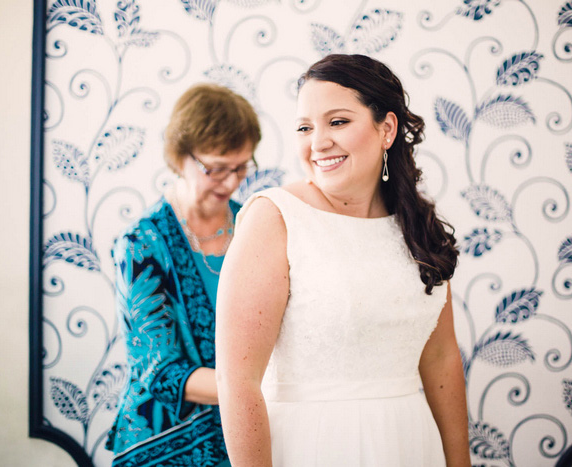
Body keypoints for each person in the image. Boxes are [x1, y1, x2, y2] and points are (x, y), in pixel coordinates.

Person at [215, 54, 470, 466]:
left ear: (386, 129)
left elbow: (441, 358)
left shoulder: (418, 226)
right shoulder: (274, 218)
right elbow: (237, 381)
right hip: (313, 446)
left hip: (409, 443)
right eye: (304, 127)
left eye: (337, 122)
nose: (317, 142)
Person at [106, 83, 261, 467]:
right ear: (180, 156)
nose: (231, 182)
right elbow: (161, 372)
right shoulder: (142, 243)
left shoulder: (257, 227)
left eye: (242, 166)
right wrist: (255, 389)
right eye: (216, 168)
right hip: (166, 443)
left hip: (245, 431)